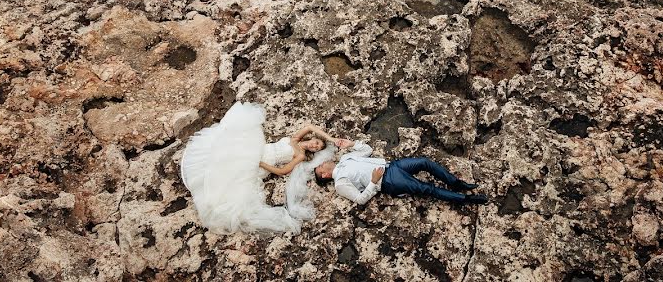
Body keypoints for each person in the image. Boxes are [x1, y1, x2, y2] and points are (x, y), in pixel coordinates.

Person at [179, 101, 340, 234]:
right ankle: (204, 176)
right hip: (259, 149)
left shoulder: (300, 155)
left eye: (317, 148)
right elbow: (310, 127)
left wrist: (260, 163)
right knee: (227, 152)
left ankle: (209, 185)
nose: (314, 145)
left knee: (233, 175)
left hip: (262, 163)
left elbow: (282, 171)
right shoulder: (295, 139)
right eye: (317, 143)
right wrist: (329, 137)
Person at [313, 138, 488, 205]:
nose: (323, 162)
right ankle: (466, 199)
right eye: (320, 166)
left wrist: (351, 145)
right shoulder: (340, 183)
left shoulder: (344, 159)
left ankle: (456, 183)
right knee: (427, 189)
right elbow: (359, 200)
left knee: (424, 162)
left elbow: (367, 150)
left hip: (392, 165)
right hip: (389, 181)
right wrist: (373, 181)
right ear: (325, 175)